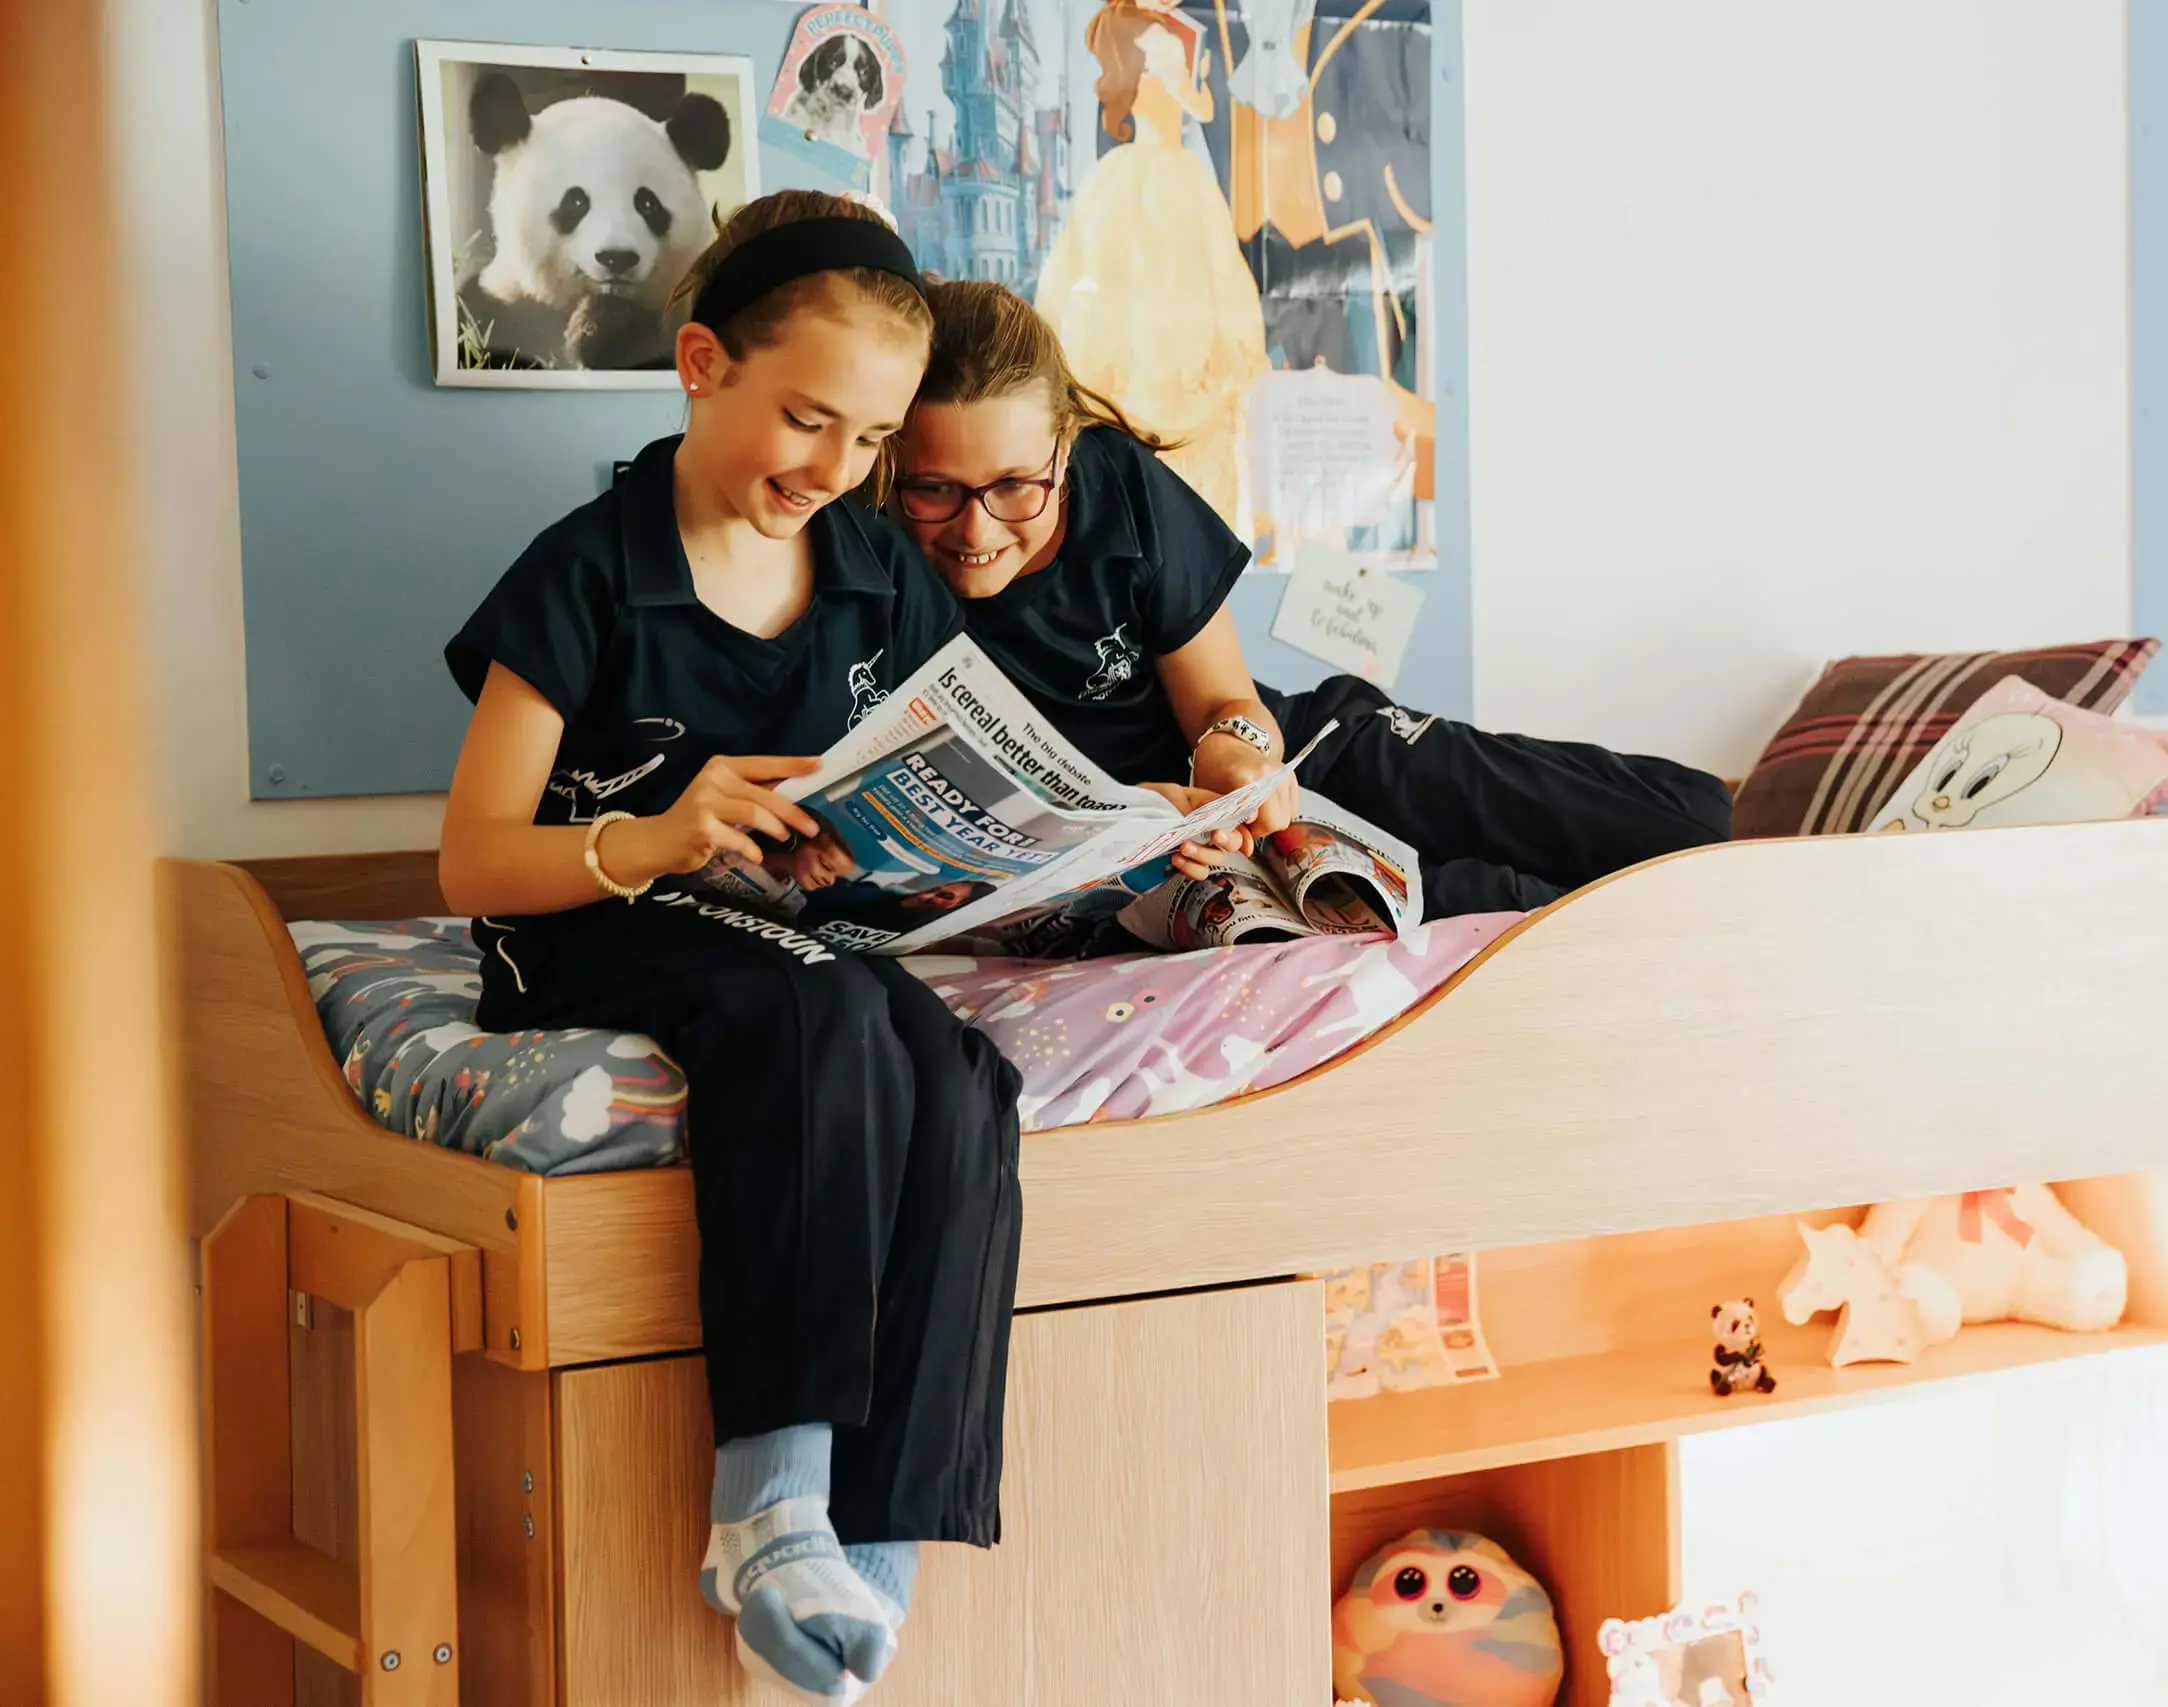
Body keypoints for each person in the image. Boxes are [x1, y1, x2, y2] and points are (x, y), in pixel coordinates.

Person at [438, 193, 1020, 1706]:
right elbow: (471, 857)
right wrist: (656, 832)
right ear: (701, 362)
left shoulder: (874, 571)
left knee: (960, 1074)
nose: (836, 471)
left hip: (780, 933)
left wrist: (912, 851)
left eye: (875, 441)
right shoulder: (584, 571)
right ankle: (770, 1503)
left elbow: (931, 773)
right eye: (807, 418)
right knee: (818, 1011)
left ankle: (879, 1537)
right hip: (590, 924)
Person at [883, 280, 1733, 919]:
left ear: (1065, 450)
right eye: (934, 490)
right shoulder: (867, 563)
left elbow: (1228, 703)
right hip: (1167, 858)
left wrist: (1234, 754)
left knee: (1533, 796)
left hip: (1278, 762)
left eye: (1014, 486)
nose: (976, 528)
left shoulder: (1120, 489)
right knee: (1496, 901)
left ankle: (1803, 850)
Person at [1034, 0, 1267, 533]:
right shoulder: (1160, 46)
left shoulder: (1145, 53)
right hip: (1162, 179)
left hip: (1154, 174)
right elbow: (1200, 106)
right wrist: (1196, 74)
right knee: (1150, 304)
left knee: (1155, 309)